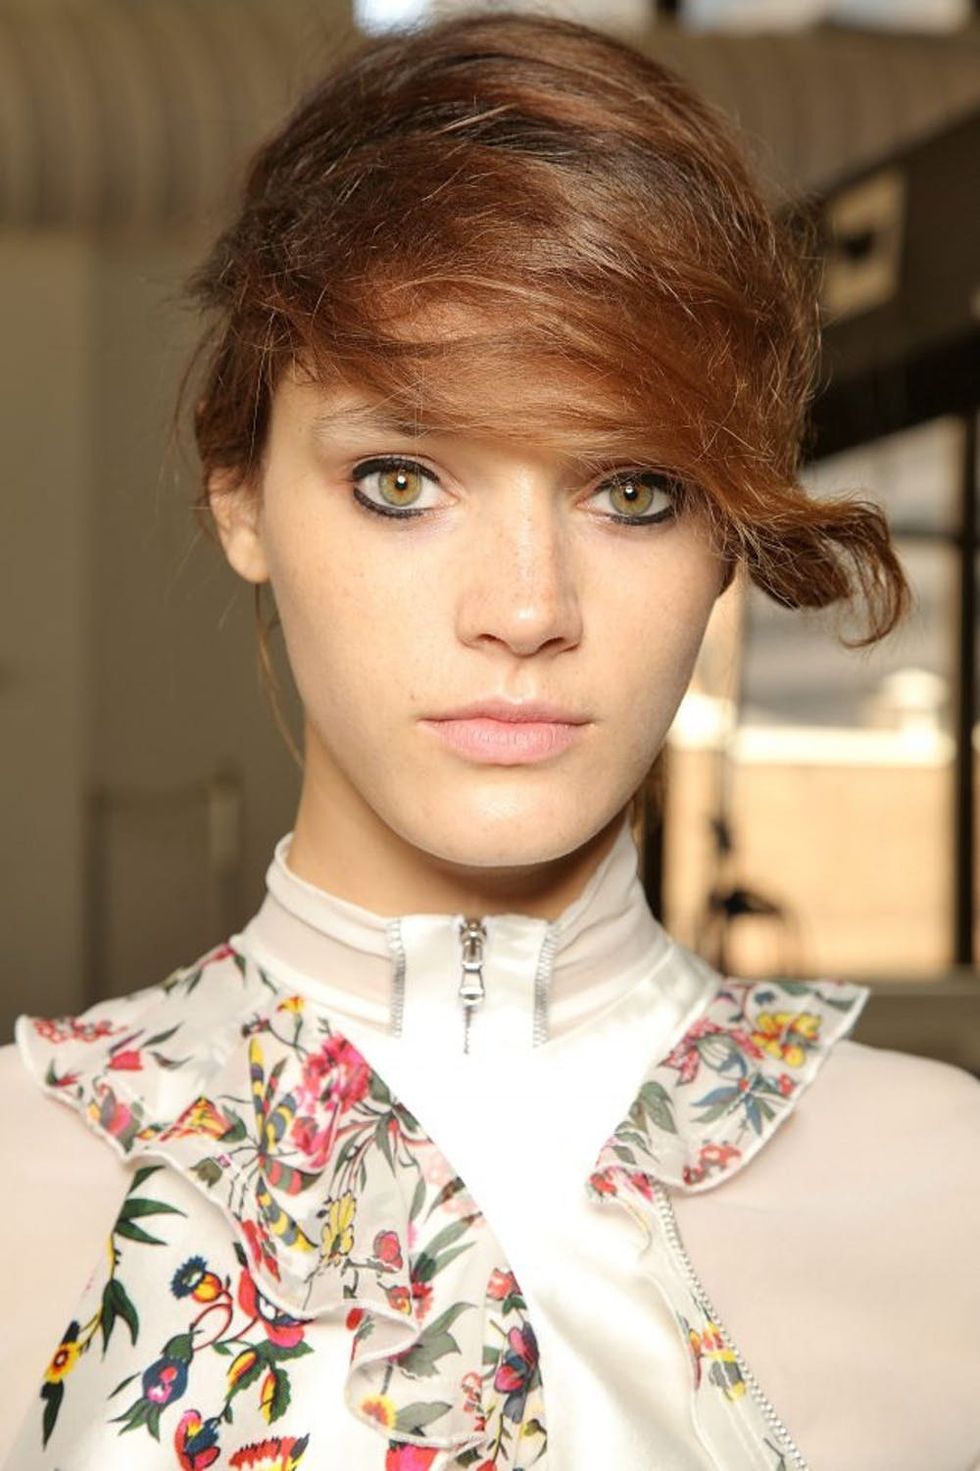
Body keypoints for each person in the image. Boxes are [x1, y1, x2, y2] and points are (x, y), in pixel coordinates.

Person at [2, 9, 978, 1469]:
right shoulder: (24, 1184)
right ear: (240, 495)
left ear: (726, 532)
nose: (526, 609)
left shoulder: (948, 1195)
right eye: (401, 479)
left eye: (634, 490)